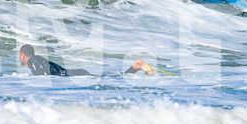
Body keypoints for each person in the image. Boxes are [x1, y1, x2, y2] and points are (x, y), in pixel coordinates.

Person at [18, 43, 156, 76]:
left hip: (76, 75)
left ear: (23, 55)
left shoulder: (33, 61)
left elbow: (45, 77)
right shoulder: (37, 60)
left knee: (111, 80)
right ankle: (136, 67)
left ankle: (137, 66)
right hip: (76, 73)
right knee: (110, 79)